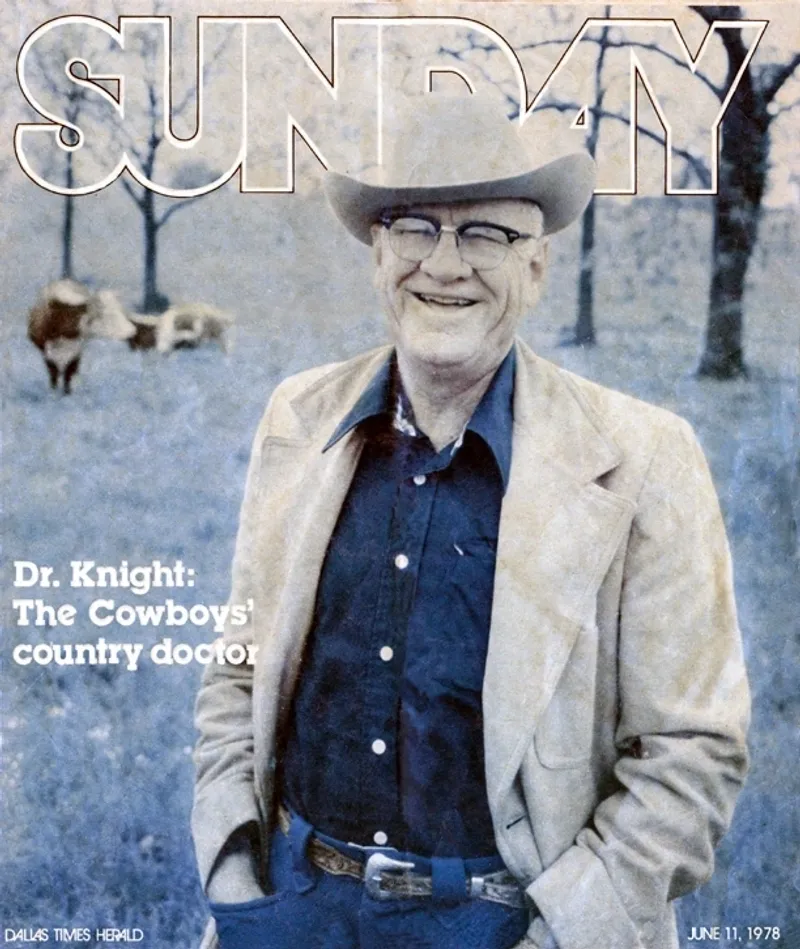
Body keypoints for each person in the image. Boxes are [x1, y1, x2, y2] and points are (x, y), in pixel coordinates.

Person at [191, 95, 750, 949]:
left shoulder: (645, 458)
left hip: (510, 922)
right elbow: (238, 669)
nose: (444, 266)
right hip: (294, 907)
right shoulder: (297, 419)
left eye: (485, 233)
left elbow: (692, 754)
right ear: (379, 255)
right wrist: (234, 869)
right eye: (415, 227)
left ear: (537, 269)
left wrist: (560, 936)